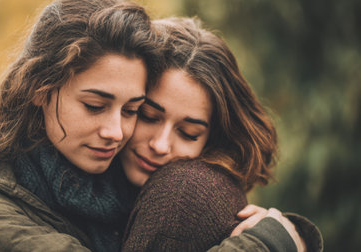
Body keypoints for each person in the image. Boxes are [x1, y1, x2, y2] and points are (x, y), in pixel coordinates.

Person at [0, 0, 161, 251]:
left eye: (131, 110)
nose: (116, 132)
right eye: (94, 106)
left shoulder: (136, 180)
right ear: (40, 90)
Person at [120, 17, 323, 251]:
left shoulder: (184, 194)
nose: (160, 145)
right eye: (148, 116)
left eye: (188, 133)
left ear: (212, 138)